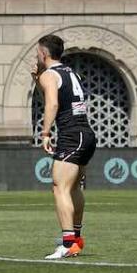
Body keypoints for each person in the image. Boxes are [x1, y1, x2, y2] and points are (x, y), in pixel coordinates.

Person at [35, 33, 97, 260]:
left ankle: (68, 242)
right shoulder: (72, 72)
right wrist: (37, 79)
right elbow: (60, 96)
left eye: (37, 52)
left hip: (71, 134)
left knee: (59, 187)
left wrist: (45, 132)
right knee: (73, 188)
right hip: (86, 133)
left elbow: (52, 102)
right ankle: (75, 238)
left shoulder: (49, 75)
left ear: (43, 53)